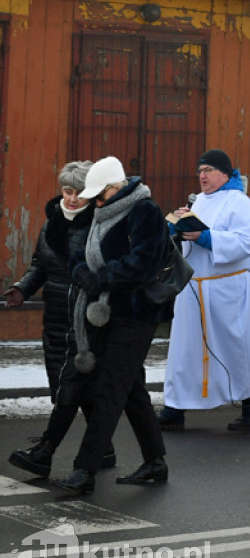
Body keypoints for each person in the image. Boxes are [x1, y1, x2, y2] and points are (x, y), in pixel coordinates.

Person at [51, 157, 172, 494]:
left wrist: (100, 278)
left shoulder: (144, 210)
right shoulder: (100, 210)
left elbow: (143, 265)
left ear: (116, 187)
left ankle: (84, 470)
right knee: (130, 389)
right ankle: (155, 462)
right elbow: (78, 250)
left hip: (136, 315)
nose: (96, 201)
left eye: (100, 194)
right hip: (105, 312)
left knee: (109, 389)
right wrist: (81, 274)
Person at [6, 162, 116, 478]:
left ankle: (44, 452)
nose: (71, 198)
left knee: (71, 383)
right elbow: (40, 263)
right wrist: (22, 289)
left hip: (83, 317)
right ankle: (103, 447)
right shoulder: (53, 221)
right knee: (73, 385)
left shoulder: (98, 225)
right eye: (67, 191)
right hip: (53, 314)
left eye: (79, 192)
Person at [160, 150, 250, 431]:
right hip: (194, 287)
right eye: (200, 170)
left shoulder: (239, 202)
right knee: (185, 350)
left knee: (237, 349)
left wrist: (207, 238)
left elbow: (247, 244)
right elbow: (189, 242)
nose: (203, 176)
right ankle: (174, 409)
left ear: (225, 174)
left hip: (227, 289)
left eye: (209, 170)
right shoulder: (198, 201)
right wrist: (178, 227)